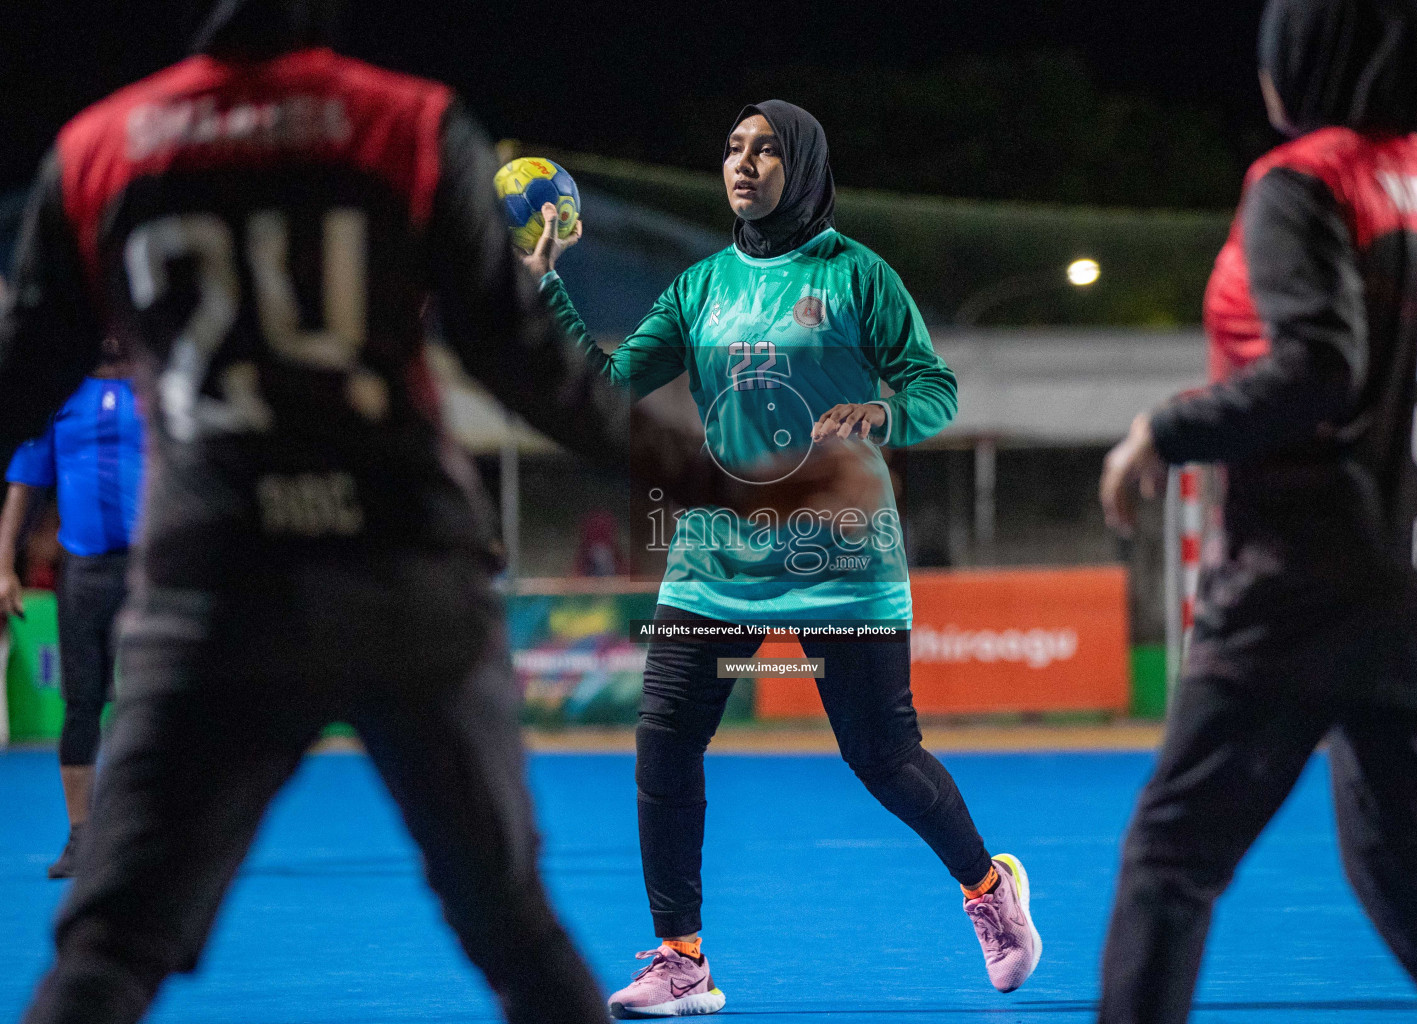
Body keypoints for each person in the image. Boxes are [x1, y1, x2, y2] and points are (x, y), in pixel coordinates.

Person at [5, 4, 873, 1023]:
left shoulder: (99, 148)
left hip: (213, 586)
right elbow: (538, 374)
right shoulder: (405, 126)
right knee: (513, 925)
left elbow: (20, 382)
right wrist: (723, 482)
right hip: (403, 581)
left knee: (109, 947)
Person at [529, 100, 1041, 1018]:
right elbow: (607, 390)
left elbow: (934, 385)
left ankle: (988, 887)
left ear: (801, 166)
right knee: (665, 739)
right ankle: (682, 961)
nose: (744, 161)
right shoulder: (699, 288)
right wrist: (547, 287)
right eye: (732, 146)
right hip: (718, 558)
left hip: (839, 556)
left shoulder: (857, 276)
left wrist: (885, 414)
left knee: (883, 757)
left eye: (765, 149)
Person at [1096, 1, 1417, 1021]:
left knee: (1172, 856)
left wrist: (1163, 432)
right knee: (1408, 872)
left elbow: (1319, 367)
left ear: (1300, 60)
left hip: (1302, 573)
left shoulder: (1302, 180)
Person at [0, 336, 142, 879]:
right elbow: (23, 484)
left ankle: (145, 838)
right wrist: (5, 567)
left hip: (152, 572)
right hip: (83, 574)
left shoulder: (158, 392)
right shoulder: (60, 397)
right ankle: (82, 836)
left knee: (154, 704)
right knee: (82, 704)